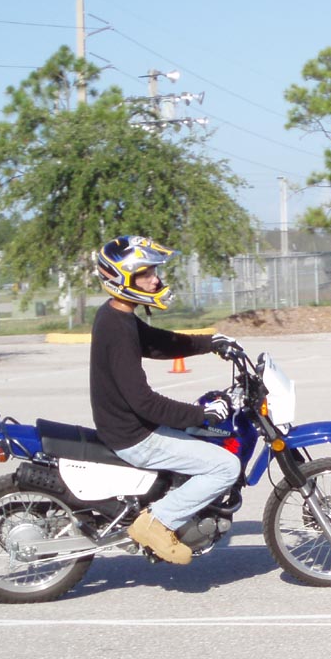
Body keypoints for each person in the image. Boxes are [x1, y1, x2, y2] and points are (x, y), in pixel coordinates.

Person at [89, 235, 240, 565]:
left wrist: (210, 342)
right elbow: (144, 402)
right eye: (145, 274)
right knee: (226, 466)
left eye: (153, 272)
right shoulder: (117, 328)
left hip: (125, 427)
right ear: (122, 278)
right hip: (135, 436)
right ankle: (157, 522)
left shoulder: (117, 315)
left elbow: (159, 343)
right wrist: (202, 414)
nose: (155, 280)